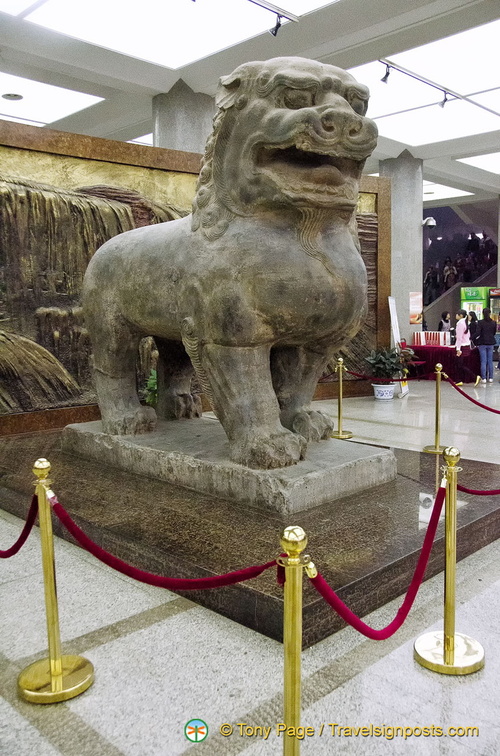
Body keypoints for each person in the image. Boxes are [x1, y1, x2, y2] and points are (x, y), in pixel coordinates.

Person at [454, 309, 480, 385]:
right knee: (459, 364)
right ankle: (459, 380)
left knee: (460, 364)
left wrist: (458, 349)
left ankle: (474, 377)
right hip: (466, 345)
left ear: (460, 315)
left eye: (457, 314)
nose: (456, 316)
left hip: (461, 346)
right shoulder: (464, 323)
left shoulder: (460, 323)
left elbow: (459, 337)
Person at [475, 308, 497, 383]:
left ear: (482, 313)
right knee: (490, 361)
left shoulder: (480, 322)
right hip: (491, 342)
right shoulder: (494, 322)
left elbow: (478, 333)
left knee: (483, 361)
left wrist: (472, 337)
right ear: (490, 313)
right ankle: (491, 378)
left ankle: (484, 378)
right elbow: (494, 332)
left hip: (482, 342)